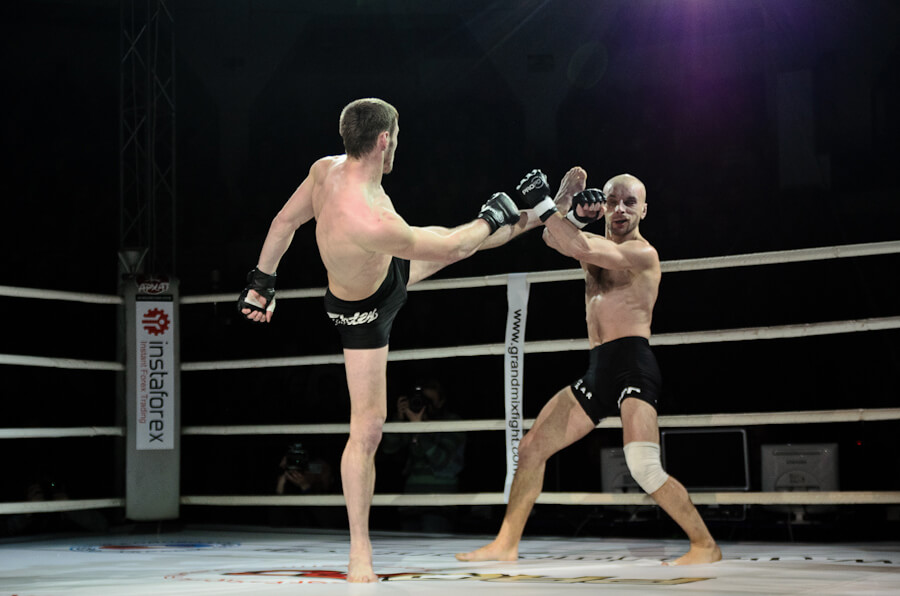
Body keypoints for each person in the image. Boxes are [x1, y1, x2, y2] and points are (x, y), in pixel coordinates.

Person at [236, 98, 583, 581]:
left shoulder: (324, 171)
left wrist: (262, 282)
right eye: (397, 136)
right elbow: (454, 245)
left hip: (385, 269)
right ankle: (360, 551)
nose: (398, 144)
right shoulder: (371, 218)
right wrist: (488, 217)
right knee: (368, 428)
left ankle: (550, 211)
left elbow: (283, 223)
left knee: (467, 243)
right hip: (363, 310)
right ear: (384, 140)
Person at [457, 170, 721, 566]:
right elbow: (555, 239)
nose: (620, 209)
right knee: (531, 449)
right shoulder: (594, 244)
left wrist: (547, 203)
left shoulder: (643, 254)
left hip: (633, 365)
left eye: (630, 202)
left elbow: (576, 244)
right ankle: (505, 544)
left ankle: (705, 545)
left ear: (644, 210)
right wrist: (575, 214)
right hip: (599, 369)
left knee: (644, 466)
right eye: (613, 201)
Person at [381, 380, 466, 531]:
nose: (424, 405)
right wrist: (399, 419)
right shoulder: (412, 420)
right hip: (411, 501)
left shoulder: (452, 422)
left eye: (429, 401)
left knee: (434, 542)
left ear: (441, 402)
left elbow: (441, 460)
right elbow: (389, 448)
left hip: (439, 503)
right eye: (420, 400)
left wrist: (419, 429)